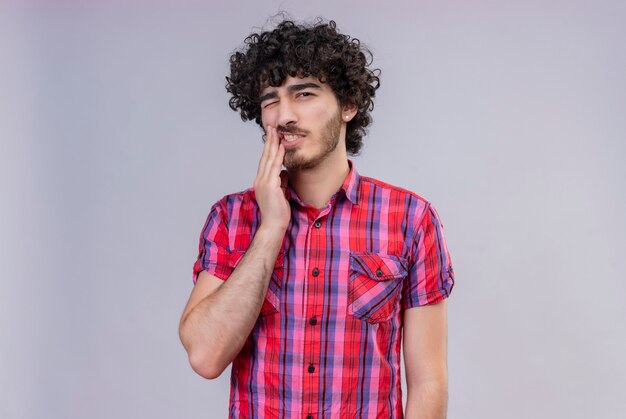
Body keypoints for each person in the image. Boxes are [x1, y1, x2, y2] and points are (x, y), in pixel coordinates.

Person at [179, 18, 455, 419]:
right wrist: (271, 228)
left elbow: (429, 380)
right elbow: (205, 355)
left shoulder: (410, 219)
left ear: (348, 104)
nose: (283, 115)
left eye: (303, 94)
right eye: (270, 99)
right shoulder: (233, 217)